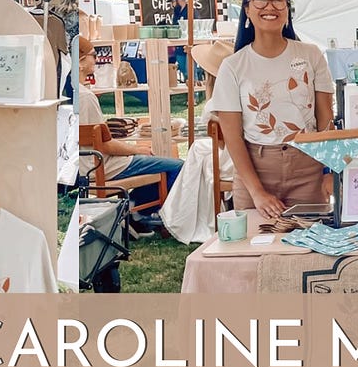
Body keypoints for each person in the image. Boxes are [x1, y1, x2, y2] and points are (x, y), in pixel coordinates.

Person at [211, 0, 334, 220]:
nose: (270, 7)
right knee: (253, 248)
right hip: (255, 172)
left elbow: (326, 121)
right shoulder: (233, 66)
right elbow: (233, 138)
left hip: (308, 170)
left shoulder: (312, 55)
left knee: (308, 248)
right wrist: (257, 192)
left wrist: (329, 171)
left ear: (288, 9)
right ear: (246, 9)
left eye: (279, 0)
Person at [76, 36, 182, 221]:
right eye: (93, 55)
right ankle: (143, 212)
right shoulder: (86, 98)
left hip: (82, 166)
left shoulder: (68, 95)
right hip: (100, 165)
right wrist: (135, 149)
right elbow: (105, 145)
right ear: (80, 62)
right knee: (177, 167)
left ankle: (133, 208)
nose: (96, 59)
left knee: (154, 161)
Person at [159, 39, 237, 242]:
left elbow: (220, 143)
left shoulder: (215, 103)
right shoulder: (241, 95)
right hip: (243, 156)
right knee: (199, 151)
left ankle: (181, 215)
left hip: (232, 162)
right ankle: (180, 214)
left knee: (198, 152)